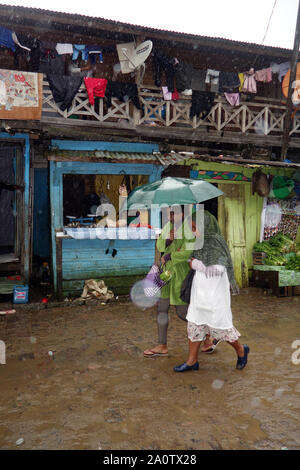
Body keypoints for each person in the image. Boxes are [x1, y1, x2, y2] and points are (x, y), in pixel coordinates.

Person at [173, 210, 249, 372]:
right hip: (198, 294)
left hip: (215, 297)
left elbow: (219, 269)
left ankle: (241, 350)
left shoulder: (216, 242)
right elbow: (189, 259)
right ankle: (192, 361)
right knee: (195, 328)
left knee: (222, 330)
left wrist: (197, 264)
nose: (193, 231)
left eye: (194, 227)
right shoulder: (198, 242)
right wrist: (193, 262)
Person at [143, 206, 195, 358]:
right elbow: (159, 246)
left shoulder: (189, 229)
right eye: (169, 214)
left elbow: (188, 251)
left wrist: (171, 255)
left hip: (180, 275)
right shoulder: (168, 227)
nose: (171, 217)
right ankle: (162, 345)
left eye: (175, 213)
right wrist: (167, 240)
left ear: (183, 214)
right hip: (165, 274)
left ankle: (206, 335)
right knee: (162, 309)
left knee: (182, 312)